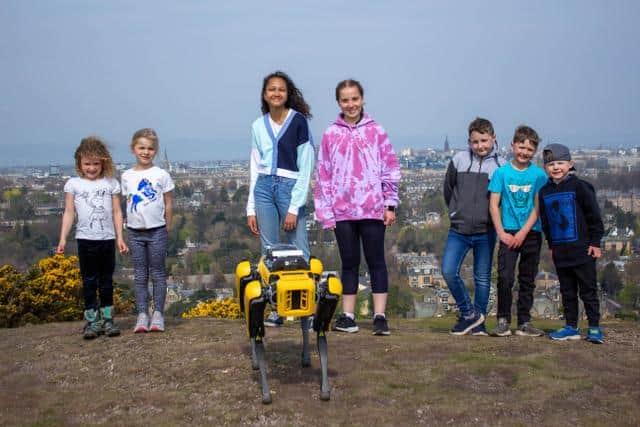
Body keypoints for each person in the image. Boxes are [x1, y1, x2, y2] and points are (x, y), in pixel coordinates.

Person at [314, 79, 400, 336]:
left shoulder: (377, 131)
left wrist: (390, 204)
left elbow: (390, 168)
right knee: (349, 263)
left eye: (354, 99)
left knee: (376, 262)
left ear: (362, 99)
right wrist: (325, 212)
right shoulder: (330, 133)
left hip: (372, 208)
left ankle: (380, 316)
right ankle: (348, 316)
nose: (351, 104)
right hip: (342, 212)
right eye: (345, 100)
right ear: (338, 103)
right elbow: (323, 174)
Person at [246, 71, 314, 327]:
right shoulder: (257, 125)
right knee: (269, 250)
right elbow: (254, 166)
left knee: (299, 246)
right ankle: (276, 307)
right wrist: (250, 207)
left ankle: (304, 307)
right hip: (263, 187)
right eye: (271, 89)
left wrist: (295, 206)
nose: (276, 93)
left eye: (281, 89)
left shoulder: (299, 122)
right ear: (265, 94)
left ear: (288, 93)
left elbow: (306, 165)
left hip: (289, 187)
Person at [57, 136, 128, 339]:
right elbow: (69, 212)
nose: (91, 168)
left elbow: (117, 212)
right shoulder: (73, 185)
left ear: (103, 163)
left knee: (106, 281)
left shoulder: (111, 183)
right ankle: (91, 321)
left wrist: (120, 238)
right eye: (87, 163)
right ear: (79, 163)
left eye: (96, 163)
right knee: (88, 281)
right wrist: (63, 238)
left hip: (106, 240)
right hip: (85, 240)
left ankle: (108, 319)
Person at [442, 117, 505, 335]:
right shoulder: (459, 159)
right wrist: (454, 212)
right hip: (458, 230)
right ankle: (469, 314)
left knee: (482, 278)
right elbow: (448, 188)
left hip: (485, 231)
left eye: (484, 141)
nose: (480, 146)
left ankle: (479, 325)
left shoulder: (501, 167)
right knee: (449, 271)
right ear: (469, 141)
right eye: (475, 142)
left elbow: (502, 199)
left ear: (493, 138)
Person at [538, 144, 605, 343]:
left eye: (560, 163)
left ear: (570, 164)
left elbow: (594, 217)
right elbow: (546, 221)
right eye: (550, 164)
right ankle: (571, 326)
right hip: (560, 252)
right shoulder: (544, 192)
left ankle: (594, 327)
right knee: (567, 291)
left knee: (588, 290)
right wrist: (550, 245)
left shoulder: (580, 187)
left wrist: (595, 242)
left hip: (583, 250)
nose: (556, 167)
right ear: (545, 167)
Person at [488, 126, 548, 337]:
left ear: (535, 152)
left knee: (527, 278)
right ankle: (503, 320)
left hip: (531, 232)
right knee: (504, 277)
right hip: (507, 231)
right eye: (521, 147)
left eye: (529, 149)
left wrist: (523, 233)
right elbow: (494, 205)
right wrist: (501, 233)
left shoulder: (539, 176)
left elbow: (538, 207)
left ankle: (524, 321)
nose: (524, 152)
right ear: (513, 145)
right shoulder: (501, 173)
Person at [121, 128, 174, 333]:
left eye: (150, 148)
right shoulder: (126, 176)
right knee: (140, 275)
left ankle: (158, 314)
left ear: (156, 151)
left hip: (157, 231)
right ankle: (142, 314)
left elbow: (169, 203)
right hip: (134, 232)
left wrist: (167, 226)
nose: (146, 152)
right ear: (133, 148)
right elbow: (125, 204)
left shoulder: (161, 174)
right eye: (141, 147)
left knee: (158, 273)